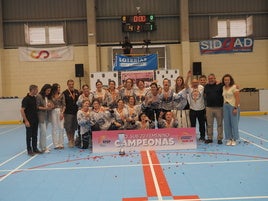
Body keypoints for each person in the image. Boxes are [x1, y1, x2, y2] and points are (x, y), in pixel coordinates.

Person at [20, 84, 42, 156]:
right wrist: (26, 120)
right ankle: (29, 150)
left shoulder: (34, 98)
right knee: (29, 136)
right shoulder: (26, 99)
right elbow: (22, 110)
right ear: (32, 90)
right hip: (29, 121)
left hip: (35, 120)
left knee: (35, 135)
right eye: (36, 90)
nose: (37, 91)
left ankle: (35, 148)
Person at [186, 71, 206, 141]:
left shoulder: (202, 87)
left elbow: (208, 84)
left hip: (201, 109)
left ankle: (202, 136)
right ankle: (192, 137)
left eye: (196, 82)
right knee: (193, 125)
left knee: (202, 124)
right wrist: (188, 76)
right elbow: (185, 84)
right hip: (192, 109)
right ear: (192, 83)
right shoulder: (190, 88)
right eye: (193, 82)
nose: (195, 83)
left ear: (198, 83)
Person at [204, 74, 224, 144]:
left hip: (219, 108)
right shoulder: (206, 86)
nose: (211, 79)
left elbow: (228, 85)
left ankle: (219, 138)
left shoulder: (220, 85)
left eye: (212, 78)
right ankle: (210, 138)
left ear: (215, 78)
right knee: (209, 124)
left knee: (220, 124)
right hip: (209, 108)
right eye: (209, 78)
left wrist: (235, 86)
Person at [222, 74, 240, 146]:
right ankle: (229, 139)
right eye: (225, 80)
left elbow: (238, 98)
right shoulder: (223, 87)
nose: (226, 81)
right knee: (227, 123)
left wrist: (235, 108)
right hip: (225, 106)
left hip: (233, 106)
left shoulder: (234, 87)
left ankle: (234, 139)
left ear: (230, 80)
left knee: (234, 123)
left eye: (228, 80)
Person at [36, 84, 53, 153]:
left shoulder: (47, 97)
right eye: (48, 90)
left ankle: (42, 146)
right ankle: (43, 148)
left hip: (46, 116)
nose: (49, 92)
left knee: (43, 132)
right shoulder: (39, 96)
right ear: (44, 89)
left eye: (50, 91)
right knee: (43, 132)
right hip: (41, 116)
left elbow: (49, 105)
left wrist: (50, 106)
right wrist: (45, 108)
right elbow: (37, 107)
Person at [62, 79, 80, 148]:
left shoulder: (76, 92)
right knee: (68, 127)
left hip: (75, 112)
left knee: (73, 127)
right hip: (68, 113)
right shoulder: (65, 93)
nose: (71, 85)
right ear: (67, 85)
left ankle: (72, 139)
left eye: (72, 84)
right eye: (70, 84)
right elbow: (63, 103)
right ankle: (69, 140)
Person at [51, 83, 66, 149]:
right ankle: (56, 144)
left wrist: (62, 113)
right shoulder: (51, 96)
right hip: (53, 111)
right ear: (54, 88)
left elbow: (64, 105)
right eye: (58, 87)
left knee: (61, 127)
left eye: (59, 87)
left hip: (60, 111)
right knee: (54, 128)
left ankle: (61, 143)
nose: (59, 88)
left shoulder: (62, 95)